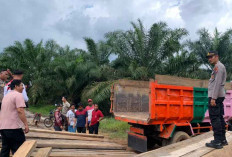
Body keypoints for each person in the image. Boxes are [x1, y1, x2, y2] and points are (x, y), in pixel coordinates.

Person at [0, 80, 29, 156]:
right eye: (21, 85)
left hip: (3, 128)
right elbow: (20, 110)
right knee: (19, 150)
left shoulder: (6, 97)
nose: (23, 87)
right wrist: (26, 124)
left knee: (5, 150)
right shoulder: (18, 95)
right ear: (16, 86)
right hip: (14, 128)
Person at [205, 51, 227, 149]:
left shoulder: (219, 67)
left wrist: (213, 98)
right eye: (208, 57)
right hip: (218, 95)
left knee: (215, 118)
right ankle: (222, 140)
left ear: (216, 56)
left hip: (216, 96)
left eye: (211, 57)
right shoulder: (218, 67)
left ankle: (217, 141)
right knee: (219, 117)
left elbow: (217, 83)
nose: (209, 59)